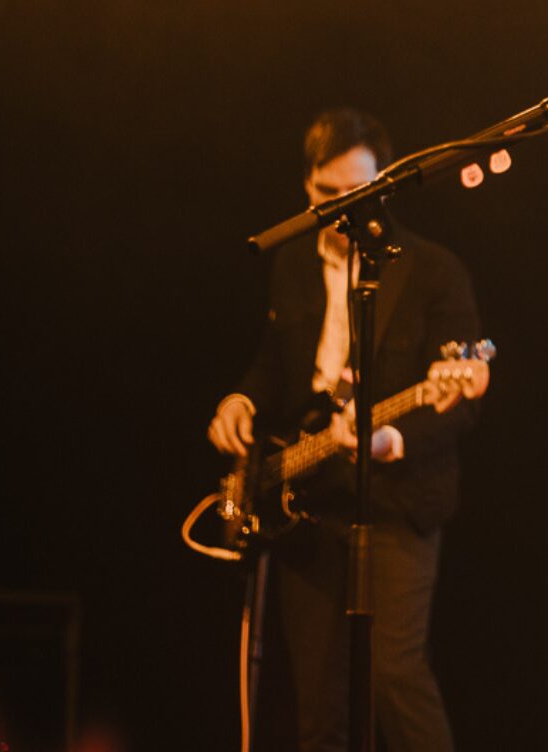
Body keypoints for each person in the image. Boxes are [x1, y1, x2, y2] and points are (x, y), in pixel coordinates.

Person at [208, 108, 482, 752]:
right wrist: (241, 398)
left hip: (398, 501)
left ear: (383, 184)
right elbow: (276, 363)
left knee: (393, 675)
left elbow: (462, 401)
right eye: (326, 195)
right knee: (318, 703)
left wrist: (395, 439)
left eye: (355, 193)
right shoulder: (294, 265)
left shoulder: (434, 272)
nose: (339, 209)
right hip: (309, 502)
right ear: (307, 187)